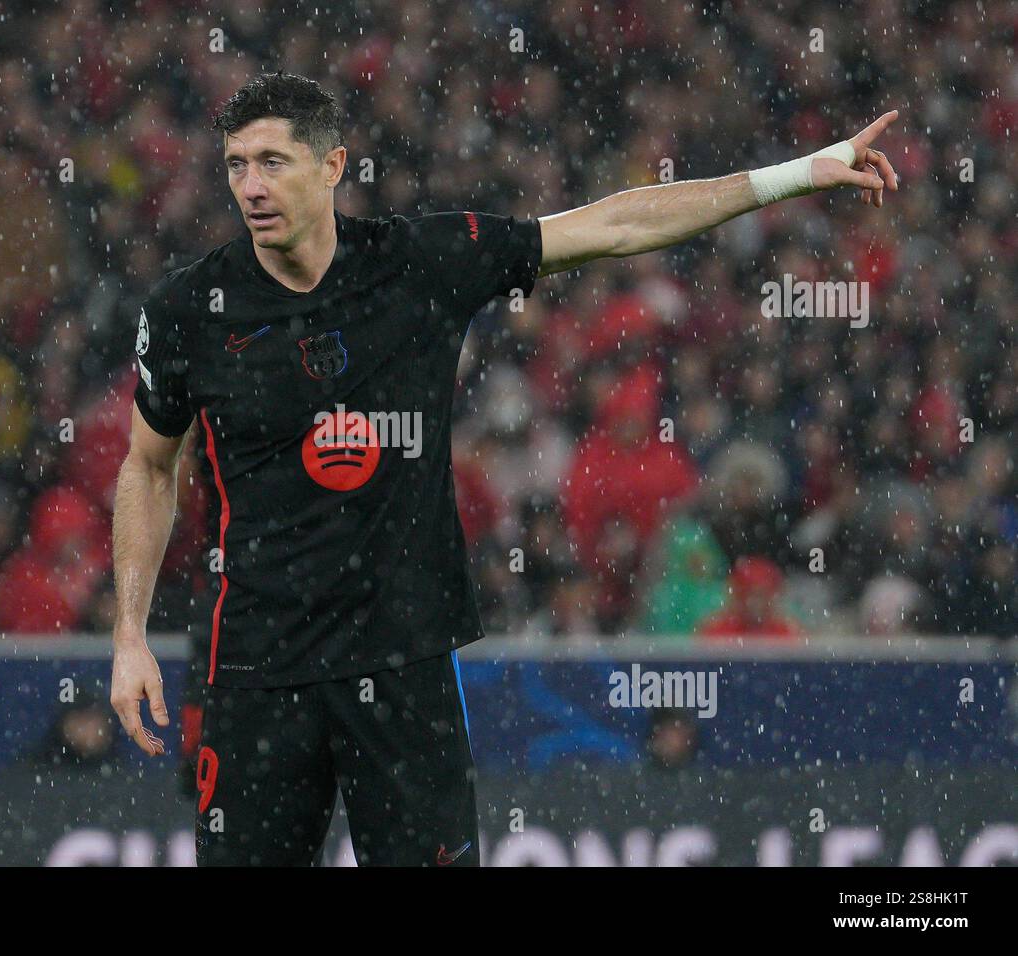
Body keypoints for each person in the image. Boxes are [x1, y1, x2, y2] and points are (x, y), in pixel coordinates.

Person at [108, 70, 900, 866]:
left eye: (273, 162)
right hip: (255, 671)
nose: (251, 185)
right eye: (236, 165)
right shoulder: (189, 313)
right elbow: (147, 467)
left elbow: (617, 226)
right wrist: (129, 634)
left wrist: (797, 174)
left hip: (403, 664)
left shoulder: (419, 265)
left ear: (332, 166)